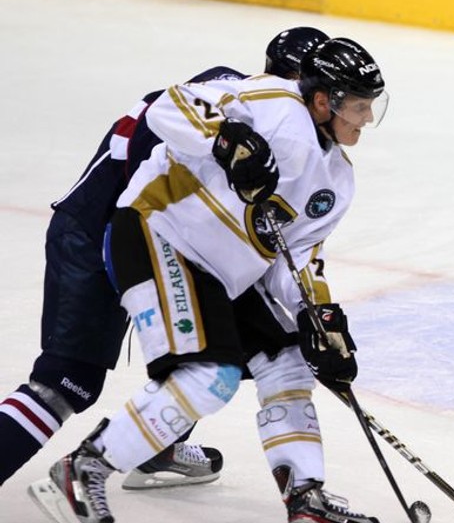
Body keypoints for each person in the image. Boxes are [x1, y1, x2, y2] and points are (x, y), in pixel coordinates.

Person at [29, 37, 388, 523]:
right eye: (359, 106)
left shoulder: (338, 181)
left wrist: (318, 316)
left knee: (290, 362)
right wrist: (224, 139)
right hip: (158, 231)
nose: (365, 118)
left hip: (219, 272)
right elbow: (168, 107)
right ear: (323, 100)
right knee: (209, 376)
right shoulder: (272, 100)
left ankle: (305, 500)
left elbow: (296, 259)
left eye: (371, 106)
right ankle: (80, 470)